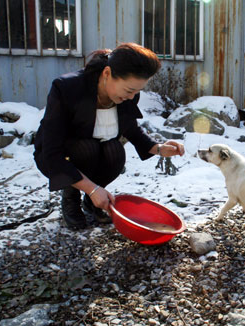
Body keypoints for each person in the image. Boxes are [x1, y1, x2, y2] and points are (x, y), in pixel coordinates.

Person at [34, 42, 185, 230]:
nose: (132, 97)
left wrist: (159, 148)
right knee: (86, 149)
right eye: (129, 90)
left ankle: (93, 201)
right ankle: (71, 198)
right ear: (107, 74)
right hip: (59, 157)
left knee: (115, 152)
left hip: (93, 152)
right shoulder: (66, 88)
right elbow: (51, 152)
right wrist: (92, 188)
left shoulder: (127, 95)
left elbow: (130, 127)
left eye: (137, 92)